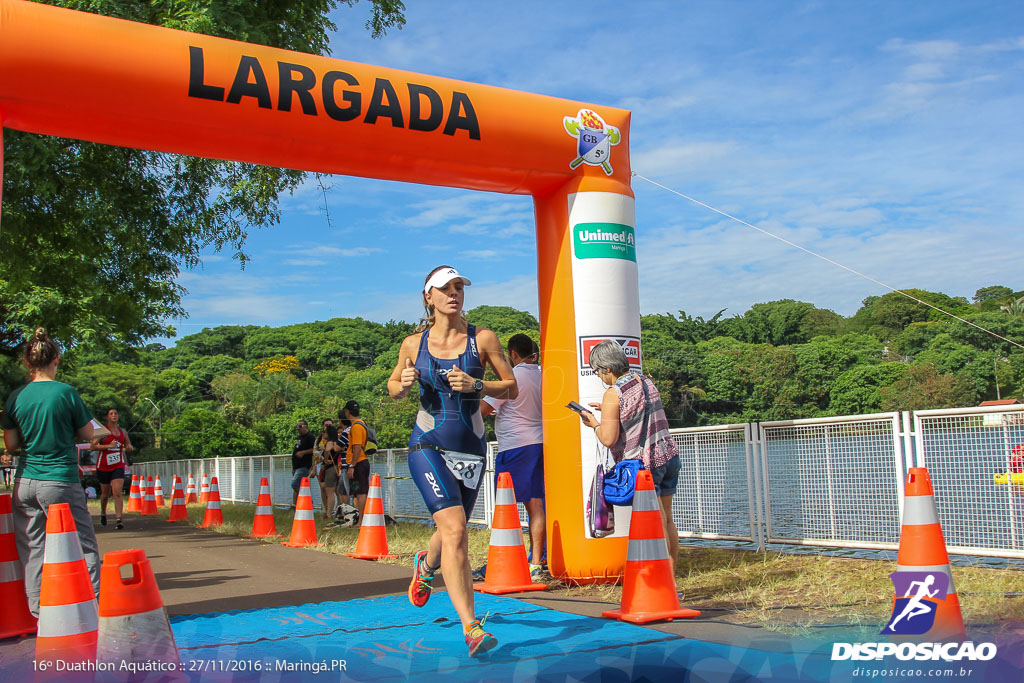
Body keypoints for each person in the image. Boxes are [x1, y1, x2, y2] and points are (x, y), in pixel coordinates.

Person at [387, 265, 517, 657]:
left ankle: (425, 567)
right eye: (445, 288)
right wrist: (402, 386)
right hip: (427, 444)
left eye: (459, 287)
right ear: (429, 296)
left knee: (450, 532)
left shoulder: (483, 338)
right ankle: (471, 627)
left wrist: (477, 384)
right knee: (457, 528)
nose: (454, 294)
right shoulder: (413, 344)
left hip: (472, 448)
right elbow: (393, 385)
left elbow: (510, 387)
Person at [1, 328, 99, 617]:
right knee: (83, 545)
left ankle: (39, 612)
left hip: (25, 481)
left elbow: (12, 443)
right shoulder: (66, 393)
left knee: (32, 547)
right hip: (59, 479)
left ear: (26, 363)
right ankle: (92, 606)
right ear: (57, 358)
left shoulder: (15, 396)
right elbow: (87, 432)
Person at [576, 340, 682, 574]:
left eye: (597, 371)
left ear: (607, 369)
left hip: (646, 463)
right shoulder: (645, 381)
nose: (598, 376)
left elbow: (608, 439)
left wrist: (593, 423)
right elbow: (640, 411)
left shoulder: (613, 394)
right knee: (666, 519)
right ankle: (671, 581)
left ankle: (660, 580)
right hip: (668, 454)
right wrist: (609, 411)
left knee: (655, 522)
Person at [480, 334, 546, 575]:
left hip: (515, 446)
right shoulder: (542, 374)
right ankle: (536, 562)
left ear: (514, 354)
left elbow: (484, 409)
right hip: (539, 443)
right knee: (536, 504)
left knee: (505, 506)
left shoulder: (512, 377)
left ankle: (506, 560)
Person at [91, 408, 133, 530]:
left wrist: (129, 446)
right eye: (111, 414)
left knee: (117, 492)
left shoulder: (122, 431)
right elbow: (92, 446)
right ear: (107, 417)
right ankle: (103, 513)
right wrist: (109, 446)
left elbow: (127, 444)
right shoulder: (102, 431)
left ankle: (119, 519)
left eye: (116, 413)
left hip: (118, 465)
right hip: (104, 466)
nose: (114, 415)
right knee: (105, 494)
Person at [340, 400, 370, 523]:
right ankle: (359, 519)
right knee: (357, 492)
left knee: (361, 492)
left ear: (347, 413)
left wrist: (352, 465)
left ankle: (361, 520)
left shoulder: (357, 426)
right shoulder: (361, 423)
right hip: (359, 462)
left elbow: (357, 448)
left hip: (359, 463)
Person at [318, 424, 343, 519]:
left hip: (331, 468)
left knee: (330, 492)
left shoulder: (330, 442)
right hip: (339, 467)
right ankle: (341, 512)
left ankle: (328, 513)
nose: (323, 433)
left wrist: (325, 458)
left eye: (325, 432)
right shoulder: (339, 442)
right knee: (338, 491)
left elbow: (327, 450)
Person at [291, 420, 315, 507]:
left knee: (295, 484)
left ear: (306, 427)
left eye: (300, 427)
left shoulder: (310, 437)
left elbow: (314, 449)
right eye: (297, 427)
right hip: (296, 466)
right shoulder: (300, 437)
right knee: (297, 486)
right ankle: (295, 505)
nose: (298, 429)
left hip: (304, 466)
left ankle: (307, 501)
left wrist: (303, 452)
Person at [313, 418, 334, 516]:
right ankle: (326, 509)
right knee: (322, 487)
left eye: (330, 424)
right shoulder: (319, 438)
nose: (328, 426)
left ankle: (332, 510)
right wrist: (322, 458)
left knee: (331, 488)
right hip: (320, 465)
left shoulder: (334, 437)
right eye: (326, 425)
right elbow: (315, 451)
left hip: (331, 465)